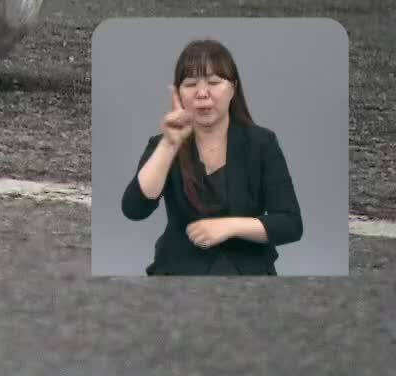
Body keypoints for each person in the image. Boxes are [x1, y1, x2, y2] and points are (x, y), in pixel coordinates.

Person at [120, 38, 303, 275]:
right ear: (178, 93)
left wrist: (229, 226)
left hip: (248, 275)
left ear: (233, 89)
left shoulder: (261, 144)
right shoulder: (162, 145)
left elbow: (290, 224)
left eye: (214, 82)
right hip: (178, 274)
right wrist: (169, 144)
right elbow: (134, 209)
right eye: (190, 84)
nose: (202, 93)